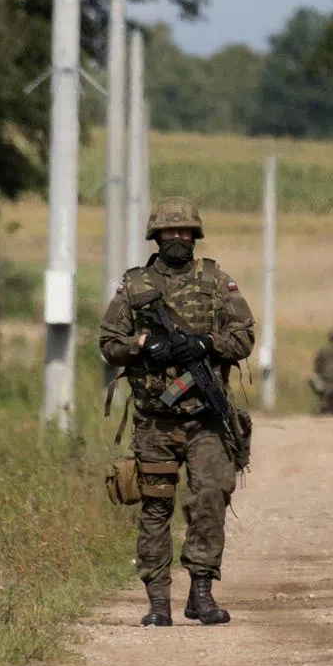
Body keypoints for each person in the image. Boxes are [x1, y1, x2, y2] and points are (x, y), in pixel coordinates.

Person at [98, 196, 255, 627]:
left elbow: (243, 335)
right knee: (154, 508)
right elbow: (109, 341)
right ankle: (157, 603)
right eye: (171, 231)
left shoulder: (216, 280)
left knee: (210, 498)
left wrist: (208, 343)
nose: (179, 238)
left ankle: (201, 593)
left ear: (196, 235)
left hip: (206, 419)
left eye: (186, 232)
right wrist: (143, 345)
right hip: (155, 422)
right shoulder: (135, 286)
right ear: (157, 235)